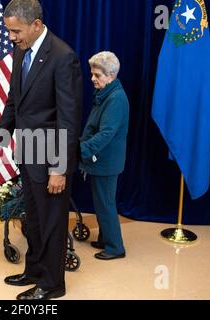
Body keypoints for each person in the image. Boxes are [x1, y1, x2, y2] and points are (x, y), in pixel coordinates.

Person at [0, 0, 83, 300]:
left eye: (16, 31)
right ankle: (35, 270)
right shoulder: (20, 51)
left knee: (52, 221)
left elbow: (68, 118)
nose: (11, 37)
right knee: (35, 219)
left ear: (36, 25)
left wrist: (58, 168)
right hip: (27, 154)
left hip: (51, 158)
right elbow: (14, 102)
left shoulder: (64, 57)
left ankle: (53, 284)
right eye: (9, 31)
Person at [79, 51, 129, 260]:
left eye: (97, 75)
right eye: (92, 74)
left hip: (106, 161)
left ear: (110, 75)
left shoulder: (116, 99)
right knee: (101, 202)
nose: (92, 78)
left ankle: (115, 247)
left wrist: (80, 150)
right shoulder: (109, 93)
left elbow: (106, 134)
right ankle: (105, 238)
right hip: (101, 160)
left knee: (106, 204)